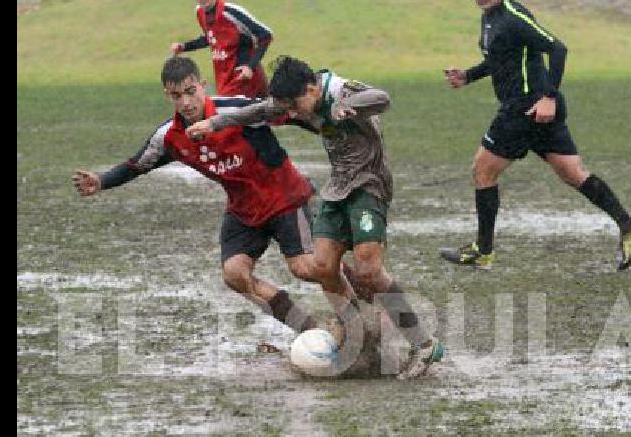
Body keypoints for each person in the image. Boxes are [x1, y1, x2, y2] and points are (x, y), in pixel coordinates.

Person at [187, 55, 446, 380]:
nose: (293, 115)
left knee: (368, 269)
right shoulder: (295, 101)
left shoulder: (341, 90)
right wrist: (215, 123)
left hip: (369, 185)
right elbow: (259, 110)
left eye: (295, 106)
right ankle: (359, 334)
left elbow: (382, 98)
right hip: (337, 189)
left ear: (311, 88)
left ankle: (423, 343)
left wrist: (348, 106)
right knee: (323, 267)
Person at [72, 56, 356, 338]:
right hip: (244, 211)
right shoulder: (169, 136)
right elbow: (137, 165)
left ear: (202, 85)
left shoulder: (235, 109)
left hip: (285, 198)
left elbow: (290, 111)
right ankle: (309, 329)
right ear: (167, 96)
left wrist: (334, 123)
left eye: (190, 91)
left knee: (306, 268)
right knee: (235, 274)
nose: (186, 102)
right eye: (176, 95)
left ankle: (358, 319)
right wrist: (101, 181)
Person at [439, 0, 631, 272]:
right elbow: (499, 59)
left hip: (523, 109)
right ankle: (630, 228)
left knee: (482, 170)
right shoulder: (490, 18)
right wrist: (468, 76)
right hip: (535, 111)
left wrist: (549, 97)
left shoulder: (513, 17)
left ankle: (482, 251)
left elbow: (558, 49)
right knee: (573, 173)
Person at [169, 0, 274, 98]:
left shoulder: (231, 13)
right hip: (224, 79)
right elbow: (211, 38)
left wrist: (250, 67)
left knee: (222, 115)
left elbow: (266, 35)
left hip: (243, 80)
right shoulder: (200, 12)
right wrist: (184, 46)